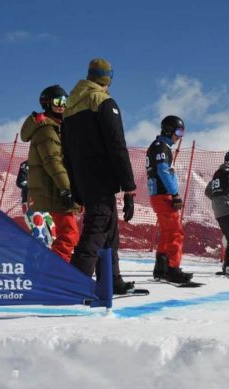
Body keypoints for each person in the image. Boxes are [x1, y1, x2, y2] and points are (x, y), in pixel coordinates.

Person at [62, 58, 136, 295]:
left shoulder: (71, 107)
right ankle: (75, 284)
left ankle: (110, 280)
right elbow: (117, 145)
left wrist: (75, 186)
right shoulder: (103, 101)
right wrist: (129, 186)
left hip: (83, 176)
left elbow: (67, 151)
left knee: (109, 228)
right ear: (108, 78)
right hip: (101, 176)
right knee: (97, 227)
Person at [19, 84, 80, 261]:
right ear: (46, 104)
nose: (62, 105)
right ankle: (56, 274)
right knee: (68, 234)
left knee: (67, 234)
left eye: (65, 101)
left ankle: (57, 271)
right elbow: (53, 160)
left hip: (56, 188)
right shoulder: (47, 129)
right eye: (57, 101)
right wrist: (65, 188)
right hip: (55, 190)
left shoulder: (58, 127)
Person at [146, 115, 192, 283]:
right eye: (179, 131)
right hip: (163, 194)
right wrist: (175, 193)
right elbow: (164, 171)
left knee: (167, 232)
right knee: (175, 232)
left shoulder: (157, 146)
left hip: (157, 194)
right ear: (169, 130)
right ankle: (173, 269)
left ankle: (161, 268)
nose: (180, 136)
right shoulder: (162, 148)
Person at [15, 160, 57, 248]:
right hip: (31, 203)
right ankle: (34, 258)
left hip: (45, 204)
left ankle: (50, 258)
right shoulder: (27, 164)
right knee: (39, 231)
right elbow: (21, 182)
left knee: (52, 232)